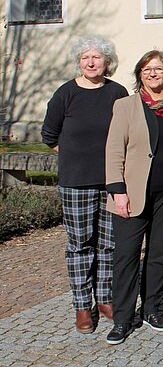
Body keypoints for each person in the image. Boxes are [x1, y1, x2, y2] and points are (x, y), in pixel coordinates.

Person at [104, 50, 163, 345]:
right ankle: (122, 318)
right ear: (139, 74)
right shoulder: (126, 106)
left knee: (159, 255)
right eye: (146, 69)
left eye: (158, 69)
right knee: (126, 257)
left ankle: (152, 310)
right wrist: (117, 191)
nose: (152, 73)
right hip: (132, 196)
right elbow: (114, 150)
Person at [41, 35, 128, 334]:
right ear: (79, 62)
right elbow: (49, 136)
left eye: (97, 57)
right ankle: (82, 305)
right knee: (79, 246)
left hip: (111, 182)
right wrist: (76, 157)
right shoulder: (65, 93)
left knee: (107, 244)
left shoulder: (117, 92)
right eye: (85, 58)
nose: (91, 62)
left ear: (107, 62)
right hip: (76, 182)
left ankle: (104, 299)